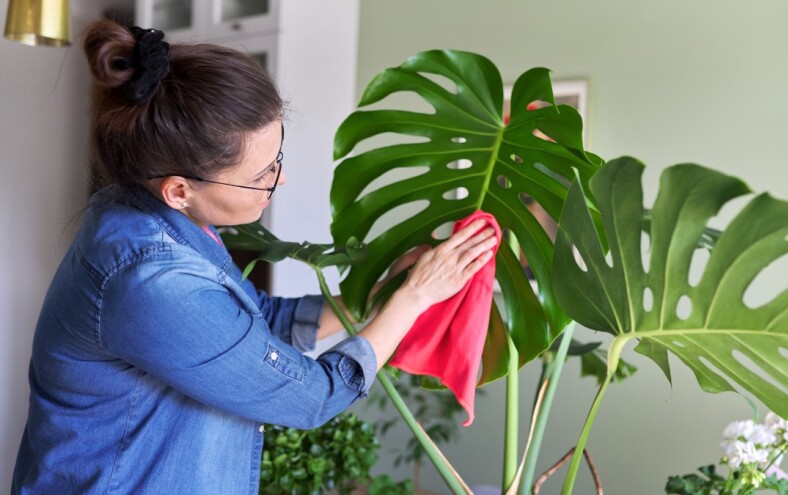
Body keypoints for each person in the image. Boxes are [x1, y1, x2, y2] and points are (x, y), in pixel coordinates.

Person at [11, 19, 497, 494]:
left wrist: (375, 296)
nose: (279, 180)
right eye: (260, 175)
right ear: (179, 190)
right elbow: (311, 398)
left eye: (276, 158)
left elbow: (255, 322)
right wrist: (415, 298)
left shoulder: (156, 215)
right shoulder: (150, 279)